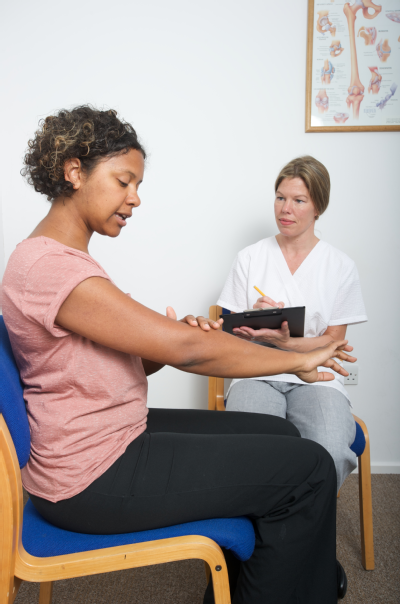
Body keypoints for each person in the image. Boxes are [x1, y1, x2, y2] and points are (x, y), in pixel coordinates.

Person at [3, 108, 353, 604]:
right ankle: (300, 582)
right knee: (311, 469)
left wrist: (161, 349)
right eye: (124, 181)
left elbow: (119, 361)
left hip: (116, 432)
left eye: (137, 184)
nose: (135, 198)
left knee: (279, 432)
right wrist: (296, 359)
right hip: (93, 475)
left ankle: (275, 576)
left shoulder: (63, 262)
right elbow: (190, 350)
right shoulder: (49, 267)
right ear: (75, 171)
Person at [217, 155, 367, 493]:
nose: (286, 208)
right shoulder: (251, 258)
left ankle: (302, 524)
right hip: (256, 371)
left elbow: (333, 342)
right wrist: (251, 321)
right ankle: (269, 529)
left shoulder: (340, 266)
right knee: (253, 450)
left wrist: (283, 342)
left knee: (328, 449)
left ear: (318, 207)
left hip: (318, 377)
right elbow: (226, 332)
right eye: (280, 197)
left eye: (299, 200)